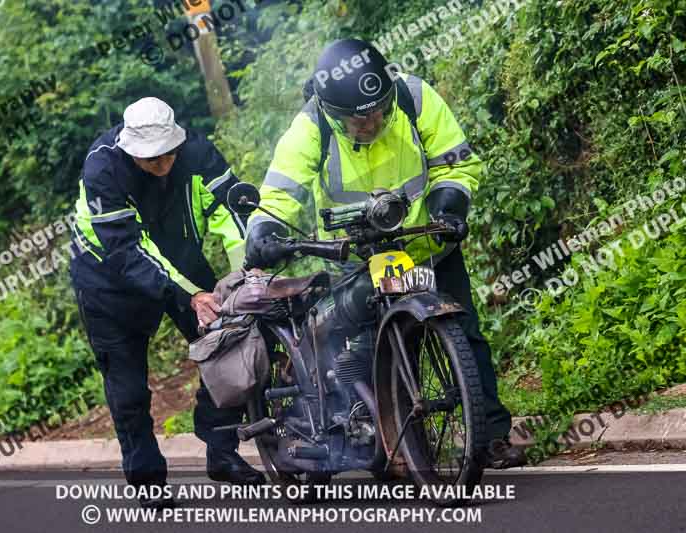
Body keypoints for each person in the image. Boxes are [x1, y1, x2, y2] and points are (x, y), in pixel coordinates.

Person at [244, 39, 526, 469]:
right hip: (358, 257)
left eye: (378, 111)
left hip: (427, 244)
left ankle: (489, 438)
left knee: (464, 334)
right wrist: (264, 229)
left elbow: (457, 161)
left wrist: (449, 204)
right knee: (364, 349)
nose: (372, 122)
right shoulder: (310, 127)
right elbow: (281, 192)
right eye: (360, 119)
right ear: (336, 115)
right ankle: (378, 440)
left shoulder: (413, 96)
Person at [70, 97, 265, 509]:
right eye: (151, 158)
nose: (162, 164)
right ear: (131, 150)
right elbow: (128, 250)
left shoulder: (197, 152)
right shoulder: (102, 168)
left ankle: (221, 449)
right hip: (108, 277)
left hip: (180, 261)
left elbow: (234, 216)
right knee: (128, 387)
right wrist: (189, 294)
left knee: (230, 343)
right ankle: (147, 480)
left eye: (168, 154)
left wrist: (245, 277)